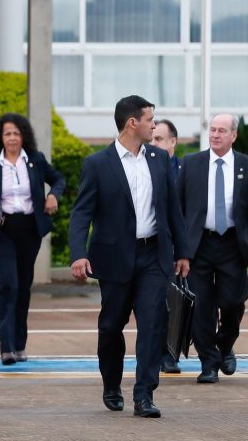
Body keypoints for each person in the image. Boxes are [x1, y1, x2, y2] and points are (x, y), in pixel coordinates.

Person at [69, 95, 190, 418]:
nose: (155, 124)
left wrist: (183, 252)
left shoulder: (159, 158)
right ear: (132, 123)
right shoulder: (97, 164)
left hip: (154, 256)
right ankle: (111, 384)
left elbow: (172, 210)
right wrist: (78, 254)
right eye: (150, 119)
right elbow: (82, 213)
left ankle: (144, 395)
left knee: (153, 324)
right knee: (111, 326)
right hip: (114, 259)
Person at [178, 114, 248, 384]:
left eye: (222, 131)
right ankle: (209, 363)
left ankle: (225, 346)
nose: (215, 134)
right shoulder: (191, 163)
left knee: (233, 302)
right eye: (212, 130)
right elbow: (178, 206)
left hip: (232, 244)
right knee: (201, 305)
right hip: (199, 244)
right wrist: (182, 248)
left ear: (233, 135)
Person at [0, 113, 65, 365]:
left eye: (16, 133)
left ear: (24, 137)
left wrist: (53, 195)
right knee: (8, 285)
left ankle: (20, 344)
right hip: (3, 231)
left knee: (23, 287)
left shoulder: (35, 160)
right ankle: (6, 347)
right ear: (1, 137)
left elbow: (58, 180)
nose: (12, 138)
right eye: (7, 133)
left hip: (30, 229)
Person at [151, 119, 183, 374]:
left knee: (180, 302)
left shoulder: (187, 169)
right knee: (156, 302)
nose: (154, 144)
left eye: (160, 139)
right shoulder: (147, 167)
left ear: (173, 142)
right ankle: (163, 352)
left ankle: (172, 350)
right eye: (152, 139)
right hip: (155, 247)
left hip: (182, 248)